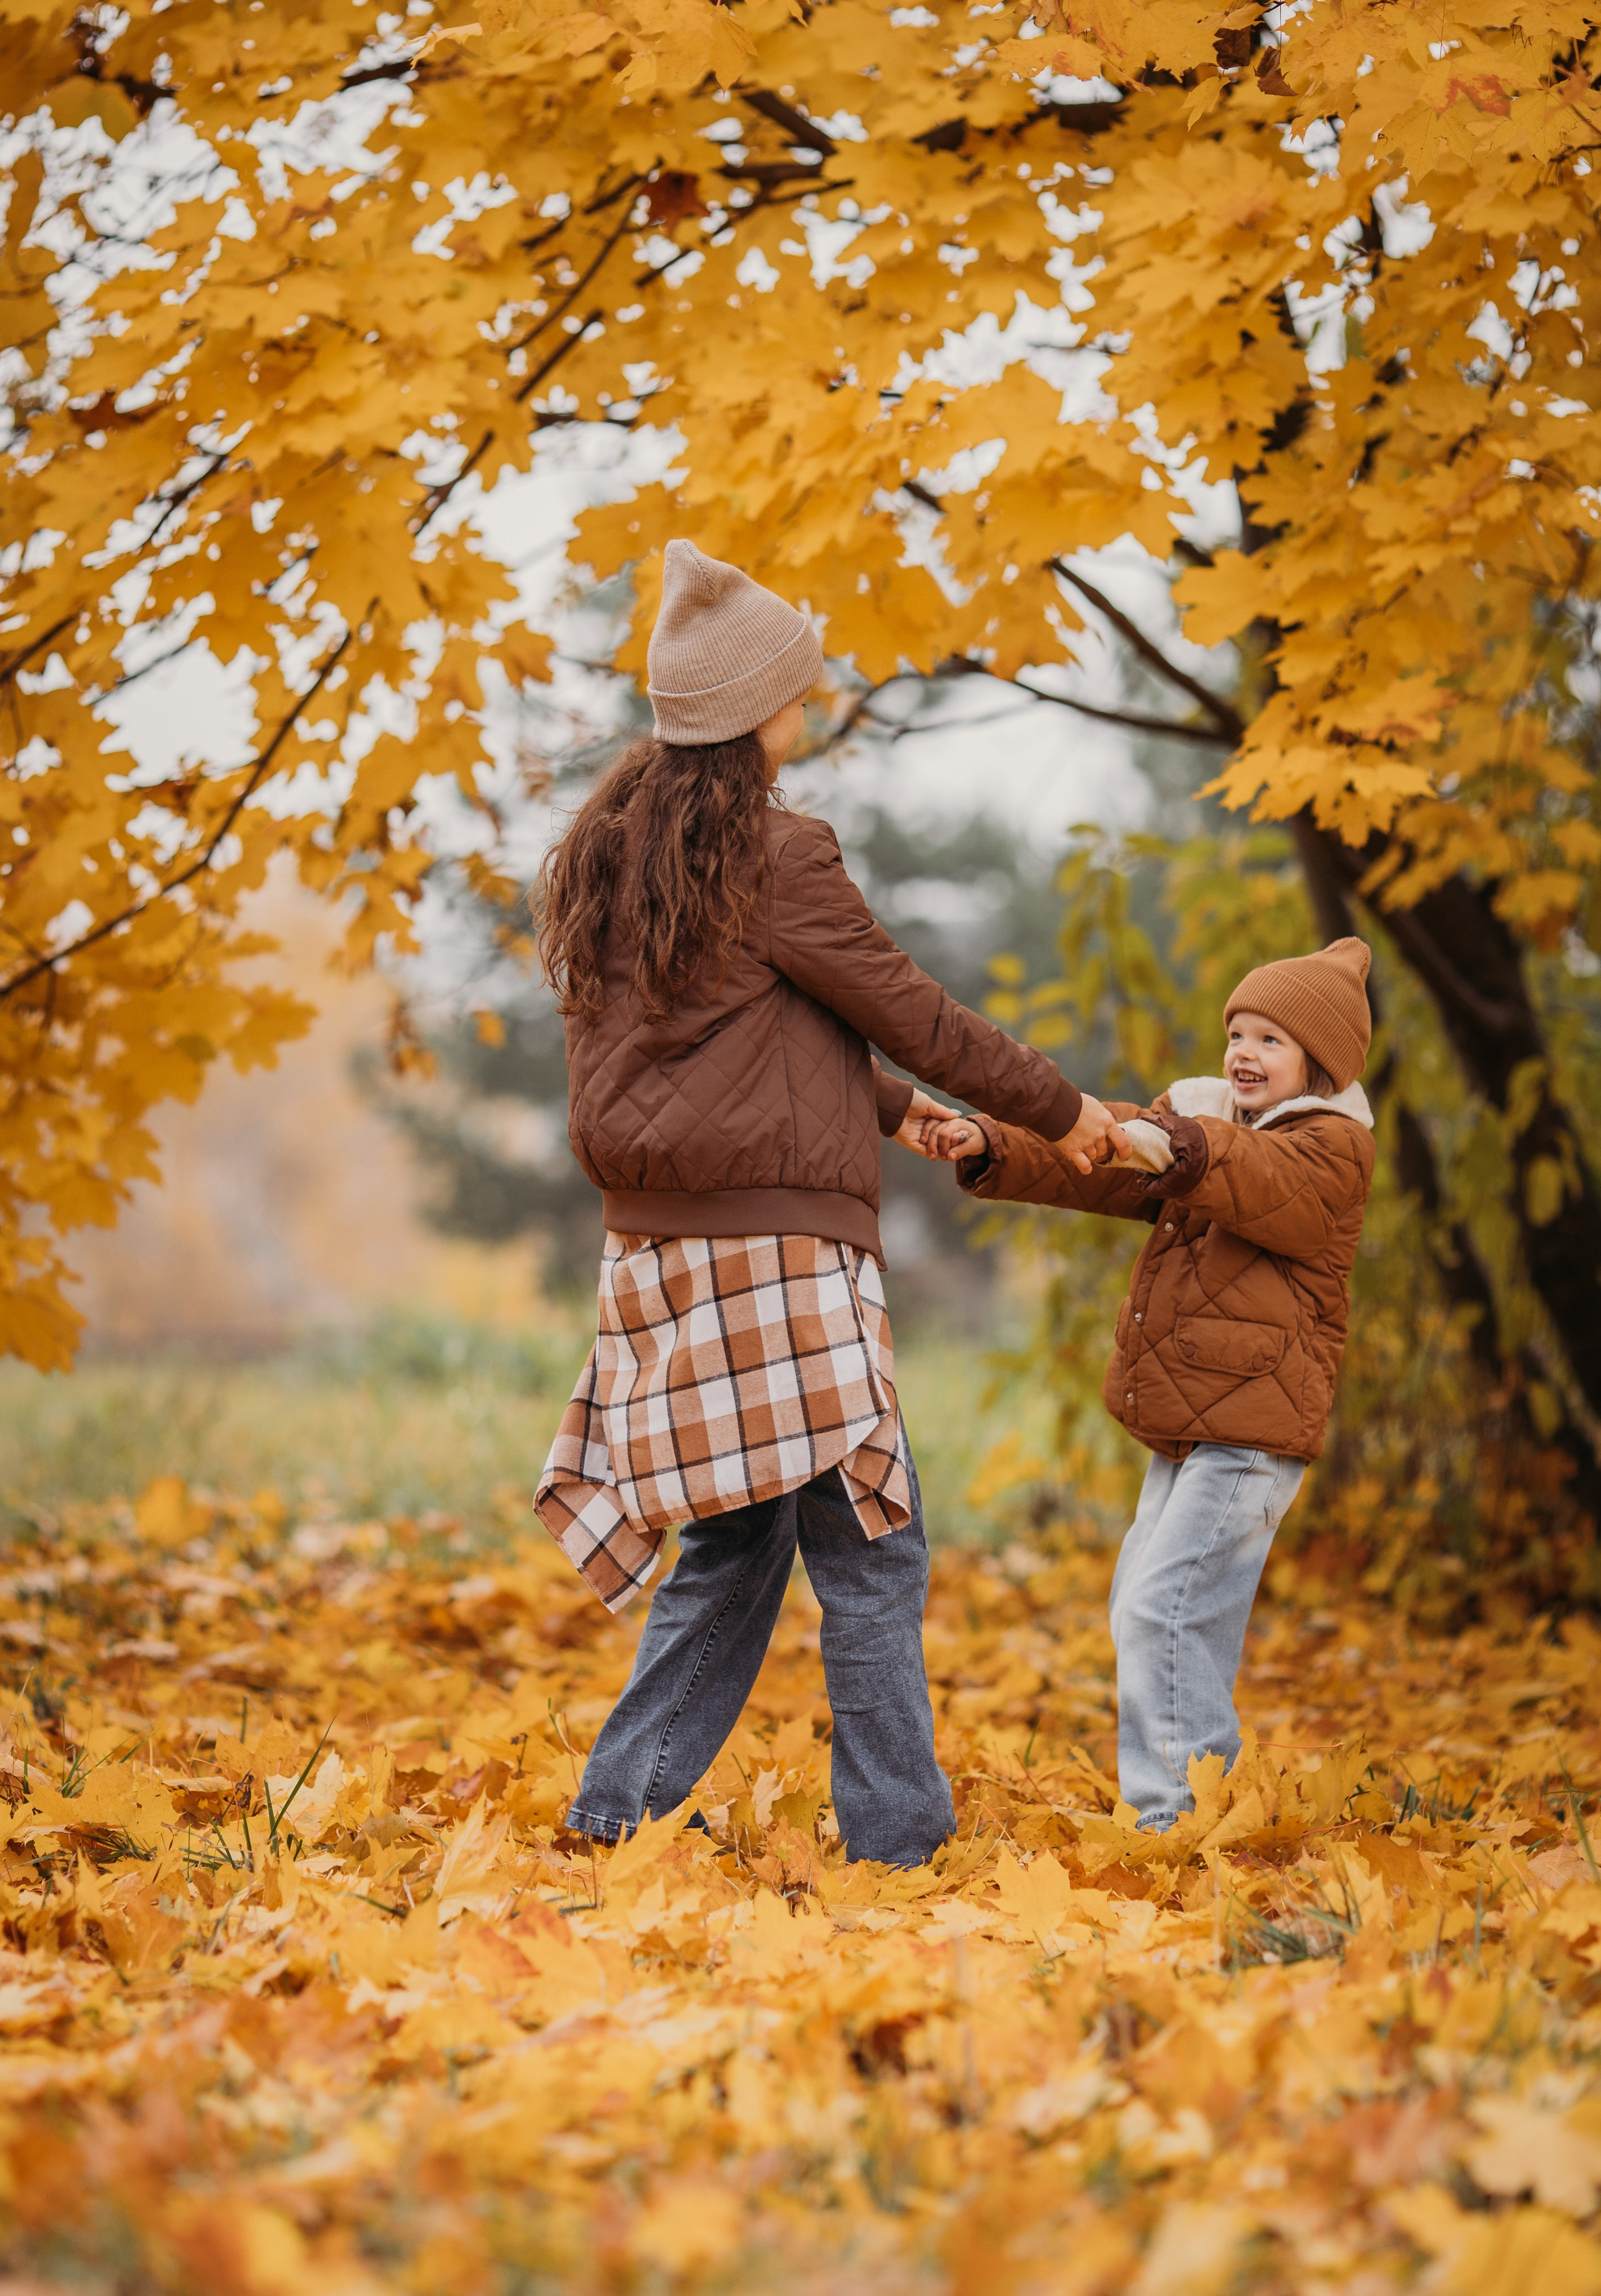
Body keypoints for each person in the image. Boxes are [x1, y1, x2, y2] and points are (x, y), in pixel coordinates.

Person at [530, 539, 1128, 1868]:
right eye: (796, 694)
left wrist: (881, 1107)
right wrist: (1064, 1110)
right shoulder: (773, 852)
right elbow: (907, 1006)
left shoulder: (615, 854)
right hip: (782, 1262)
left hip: (665, 1256)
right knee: (870, 1540)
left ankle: (610, 1817)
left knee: (739, 1548)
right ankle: (900, 1845)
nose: (809, 715)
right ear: (753, 713)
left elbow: (720, 1043)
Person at [912, 939, 1376, 1833]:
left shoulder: (1330, 1152)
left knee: (1167, 1607)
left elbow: (1259, 1184)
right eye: (1238, 1032)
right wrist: (999, 1144)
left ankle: (1175, 1820)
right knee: (1145, 1606)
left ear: (1320, 1065)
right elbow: (1101, 1157)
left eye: (1272, 1040)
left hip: (1254, 1438)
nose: (1243, 1051)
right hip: (1198, 1425)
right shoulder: (1207, 1130)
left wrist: (1178, 1145)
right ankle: (1192, 1801)